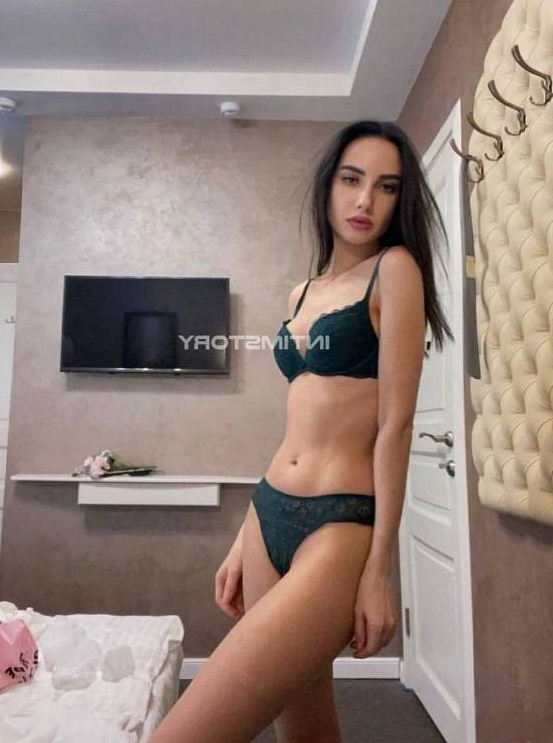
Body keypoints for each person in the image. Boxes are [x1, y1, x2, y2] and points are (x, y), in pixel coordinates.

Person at [150, 119, 454, 743]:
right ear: (328, 188)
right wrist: (243, 536)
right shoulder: (302, 292)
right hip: (269, 514)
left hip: (339, 524)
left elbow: (395, 426)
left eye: (387, 186)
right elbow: (297, 427)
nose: (365, 200)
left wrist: (380, 570)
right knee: (303, 726)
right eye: (351, 179)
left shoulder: (395, 270)